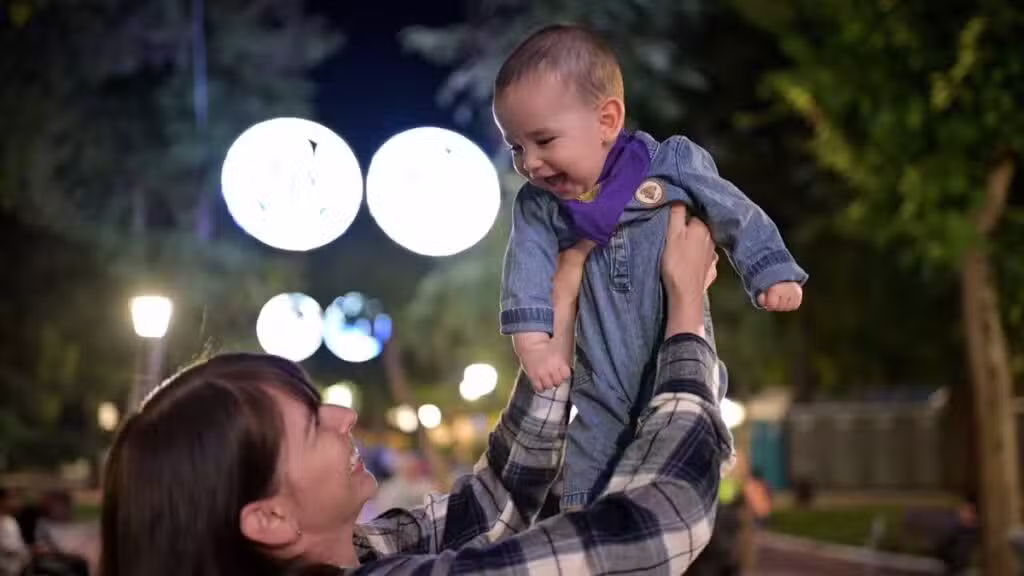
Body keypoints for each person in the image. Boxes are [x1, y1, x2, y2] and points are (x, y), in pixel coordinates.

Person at [99, 206, 732, 575]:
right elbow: (655, 523)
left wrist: (557, 315)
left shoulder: (351, 553)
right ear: (269, 518)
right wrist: (685, 314)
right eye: (312, 424)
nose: (345, 415)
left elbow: (487, 508)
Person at [495, 23, 807, 510]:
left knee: (679, 420)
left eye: (543, 140)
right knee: (590, 454)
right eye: (517, 147)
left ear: (607, 120)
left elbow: (733, 210)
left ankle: (682, 488)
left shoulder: (671, 164)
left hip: (673, 344)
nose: (530, 163)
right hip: (598, 373)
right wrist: (534, 344)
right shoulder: (539, 207)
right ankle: (585, 522)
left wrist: (768, 268)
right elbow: (527, 275)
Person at [0, 487, 29, 576]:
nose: (16, 502)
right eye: (11, 498)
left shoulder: (11, 522)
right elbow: (8, 546)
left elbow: (20, 548)